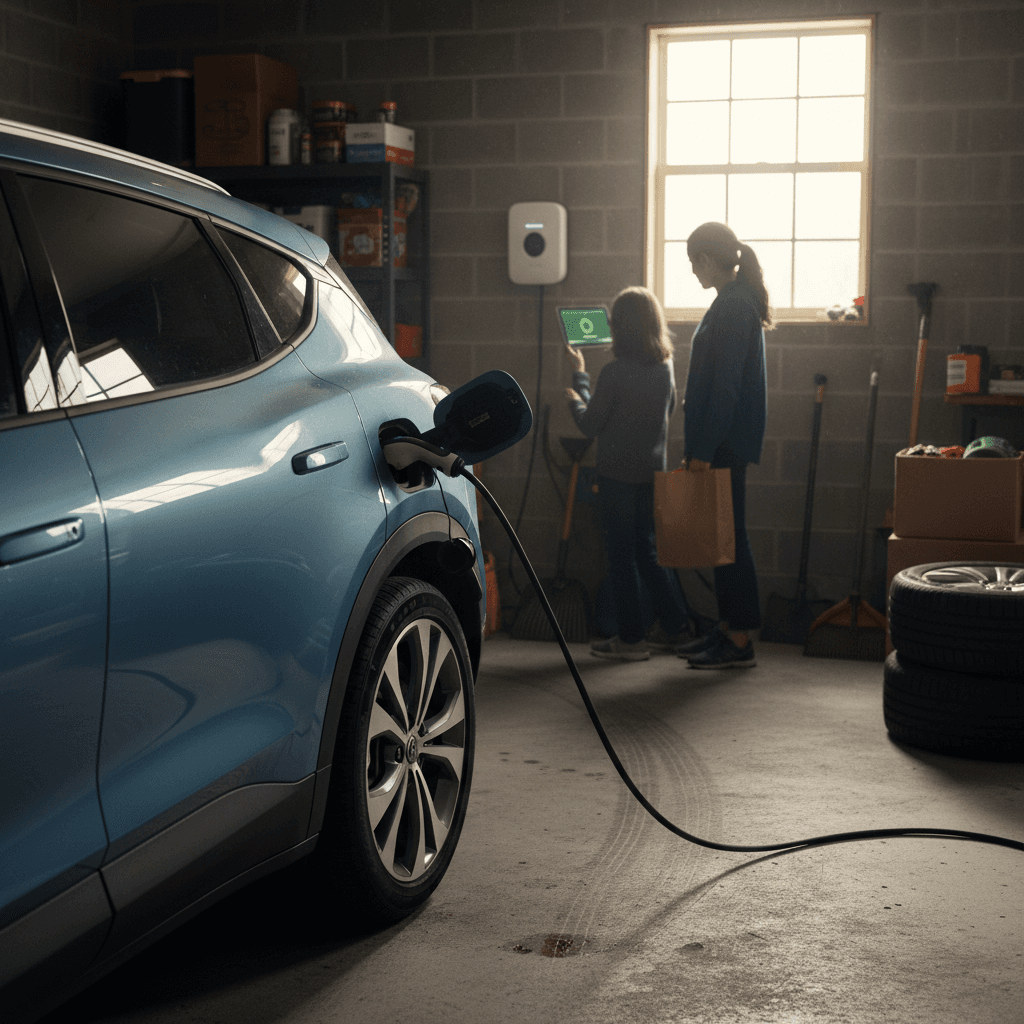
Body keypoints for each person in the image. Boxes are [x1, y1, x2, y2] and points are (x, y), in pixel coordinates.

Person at [565, 286, 692, 662]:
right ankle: (677, 629)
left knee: (621, 558)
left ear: (621, 328)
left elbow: (590, 424)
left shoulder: (614, 372)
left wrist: (578, 386)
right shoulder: (665, 368)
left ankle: (633, 641)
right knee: (648, 554)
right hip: (652, 475)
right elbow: (664, 416)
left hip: (618, 478)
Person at [677, 221, 769, 669]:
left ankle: (737, 641)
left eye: (694, 263)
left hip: (725, 442)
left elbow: (726, 388)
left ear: (708, 259)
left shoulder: (734, 307)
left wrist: (703, 449)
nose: (693, 272)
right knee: (723, 538)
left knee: (729, 540)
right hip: (723, 440)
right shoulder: (730, 303)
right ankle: (729, 628)